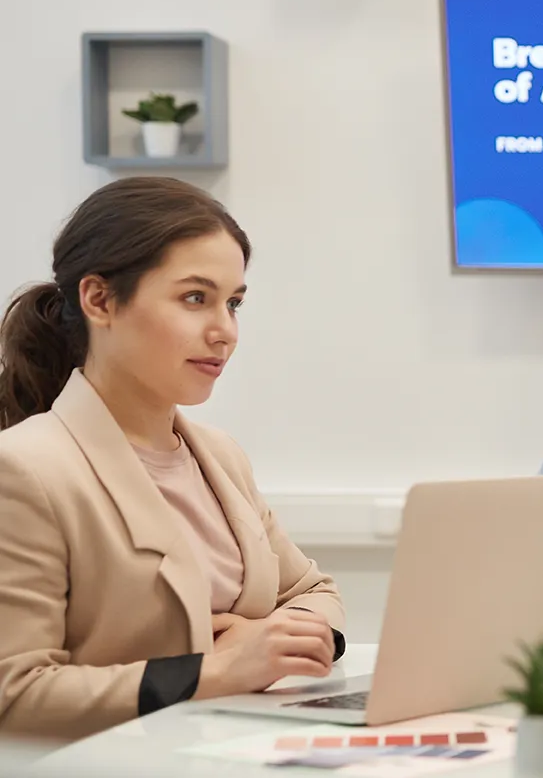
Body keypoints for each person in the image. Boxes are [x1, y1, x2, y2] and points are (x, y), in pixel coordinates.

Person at [0, 177, 345, 742]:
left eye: (233, 303)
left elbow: (312, 591)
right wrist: (215, 669)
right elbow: (15, 694)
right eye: (195, 298)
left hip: (237, 764)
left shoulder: (220, 457)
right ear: (99, 300)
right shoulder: (25, 470)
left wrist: (289, 638)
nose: (225, 331)